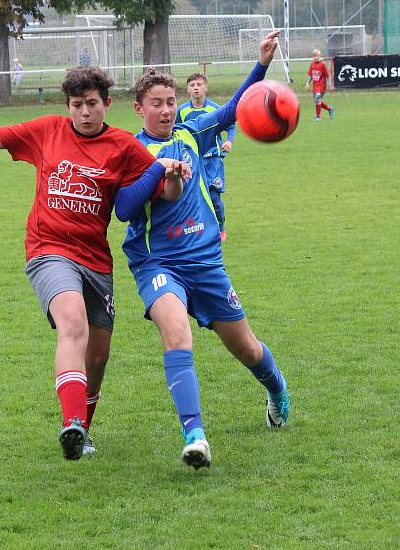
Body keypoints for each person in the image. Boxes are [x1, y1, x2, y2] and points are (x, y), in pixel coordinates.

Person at [0, 66, 190, 461]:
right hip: (49, 250)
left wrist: (173, 174)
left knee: (98, 354)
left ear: (106, 104)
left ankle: (84, 430)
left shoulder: (123, 145)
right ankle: (72, 422)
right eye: (77, 105)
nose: (84, 113)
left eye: (92, 104)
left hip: (95, 257)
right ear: (68, 106)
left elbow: (155, 193)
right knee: (72, 324)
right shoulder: (48, 131)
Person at [121, 31, 289, 470]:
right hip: (158, 263)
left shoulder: (193, 131)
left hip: (204, 261)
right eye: (155, 103)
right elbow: (124, 209)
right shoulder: (131, 152)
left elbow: (236, 108)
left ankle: (277, 389)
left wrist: (262, 64)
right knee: (177, 334)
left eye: (170, 101)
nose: (165, 109)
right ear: (139, 109)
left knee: (248, 350)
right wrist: (160, 175)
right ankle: (195, 436)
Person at [175, 73, 235, 242]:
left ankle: (221, 229)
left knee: (214, 197)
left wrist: (229, 142)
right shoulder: (182, 111)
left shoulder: (215, 108)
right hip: (193, 160)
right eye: (192, 85)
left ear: (205, 87)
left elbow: (230, 125)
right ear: (188, 89)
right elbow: (176, 132)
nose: (196, 87)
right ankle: (199, 228)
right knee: (195, 196)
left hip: (213, 160)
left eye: (199, 84)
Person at [305, 49, 334, 121]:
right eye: (315, 56)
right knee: (317, 101)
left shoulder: (323, 64)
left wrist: (330, 85)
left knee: (317, 99)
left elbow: (327, 75)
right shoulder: (312, 64)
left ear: (320, 56)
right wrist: (307, 83)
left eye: (317, 56)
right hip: (315, 86)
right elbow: (311, 75)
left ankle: (318, 116)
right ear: (313, 57)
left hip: (321, 86)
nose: (316, 57)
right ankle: (329, 109)